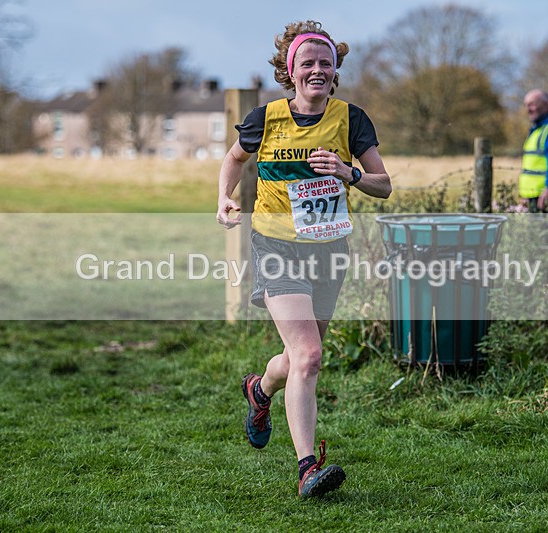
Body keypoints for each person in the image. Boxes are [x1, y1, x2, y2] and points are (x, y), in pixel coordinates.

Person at [216, 21, 391, 497]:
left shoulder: (351, 120)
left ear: (336, 71)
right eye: (307, 62)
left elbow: (384, 184)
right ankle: (307, 469)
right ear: (290, 70)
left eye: (325, 62)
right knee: (310, 356)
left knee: (299, 360)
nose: (317, 69)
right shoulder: (265, 118)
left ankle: (260, 390)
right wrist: (224, 198)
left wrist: (348, 172)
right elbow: (234, 158)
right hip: (275, 246)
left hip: (329, 250)